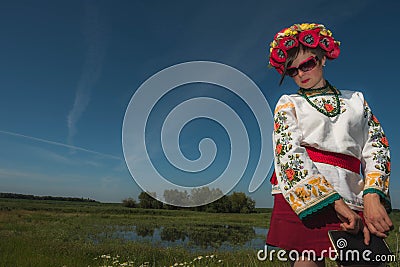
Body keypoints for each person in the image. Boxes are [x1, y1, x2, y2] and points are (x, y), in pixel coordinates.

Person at [265, 23, 393, 267]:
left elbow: (376, 146)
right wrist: (333, 201)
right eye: (292, 71)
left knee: (368, 261)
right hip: (305, 194)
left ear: (322, 58)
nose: (301, 74)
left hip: (355, 192)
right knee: (307, 261)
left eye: (307, 64)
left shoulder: (356, 100)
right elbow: (288, 153)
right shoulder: (288, 103)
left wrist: (372, 195)